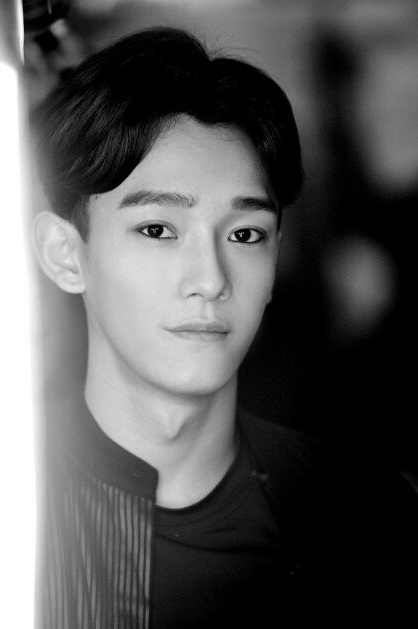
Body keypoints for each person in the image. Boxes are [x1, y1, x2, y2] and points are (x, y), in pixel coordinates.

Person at [31, 27, 417, 629]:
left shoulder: (365, 517)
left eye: (245, 234)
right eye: (158, 230)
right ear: (64, 253)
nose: (211, 279)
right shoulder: (16, 506)